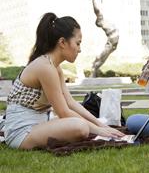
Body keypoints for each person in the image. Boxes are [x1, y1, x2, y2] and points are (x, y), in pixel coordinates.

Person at [4, 12, 124, 150]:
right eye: (77, 43)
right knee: (80, 127)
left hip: (38, 124)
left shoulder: (55, 67)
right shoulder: (45, 68)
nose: (79, 49)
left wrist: (102, 126)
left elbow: (70, 102)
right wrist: (99, 131)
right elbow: (63, 112)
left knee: (85, 124)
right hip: (21, 133)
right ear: (62, 42)